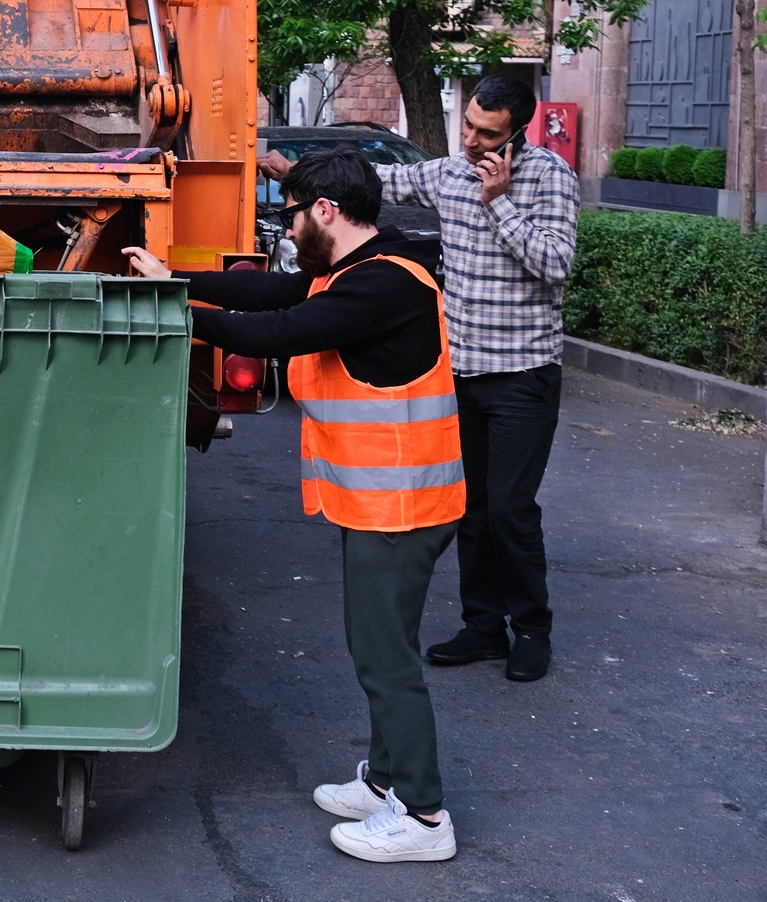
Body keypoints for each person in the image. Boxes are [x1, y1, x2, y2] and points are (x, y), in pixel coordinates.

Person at [125, 146, 465, 864]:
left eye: (291, 217)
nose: (286, 231)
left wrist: (176, 310)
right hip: (382, 501)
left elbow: (276, 332)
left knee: (385, 657)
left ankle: (424, 815)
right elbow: (268, 293)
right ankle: (386, 782)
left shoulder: (383, 285)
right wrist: (175, 279)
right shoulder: (357, 268)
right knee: (375, 646)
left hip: (402, 506)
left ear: (325, 211)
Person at [261, 76, 577, 683]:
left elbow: (556, 264)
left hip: (523, 372)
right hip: (458, 371)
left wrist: (498, 201)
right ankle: (483, 627)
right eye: (469, 125)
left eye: (488, 134)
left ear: (517, 134)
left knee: (511, 510)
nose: (472, 141)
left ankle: (532, 630)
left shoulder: (549, 177)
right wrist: (293, 171)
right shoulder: (449, 172)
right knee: (470, 507)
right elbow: (376, 181)